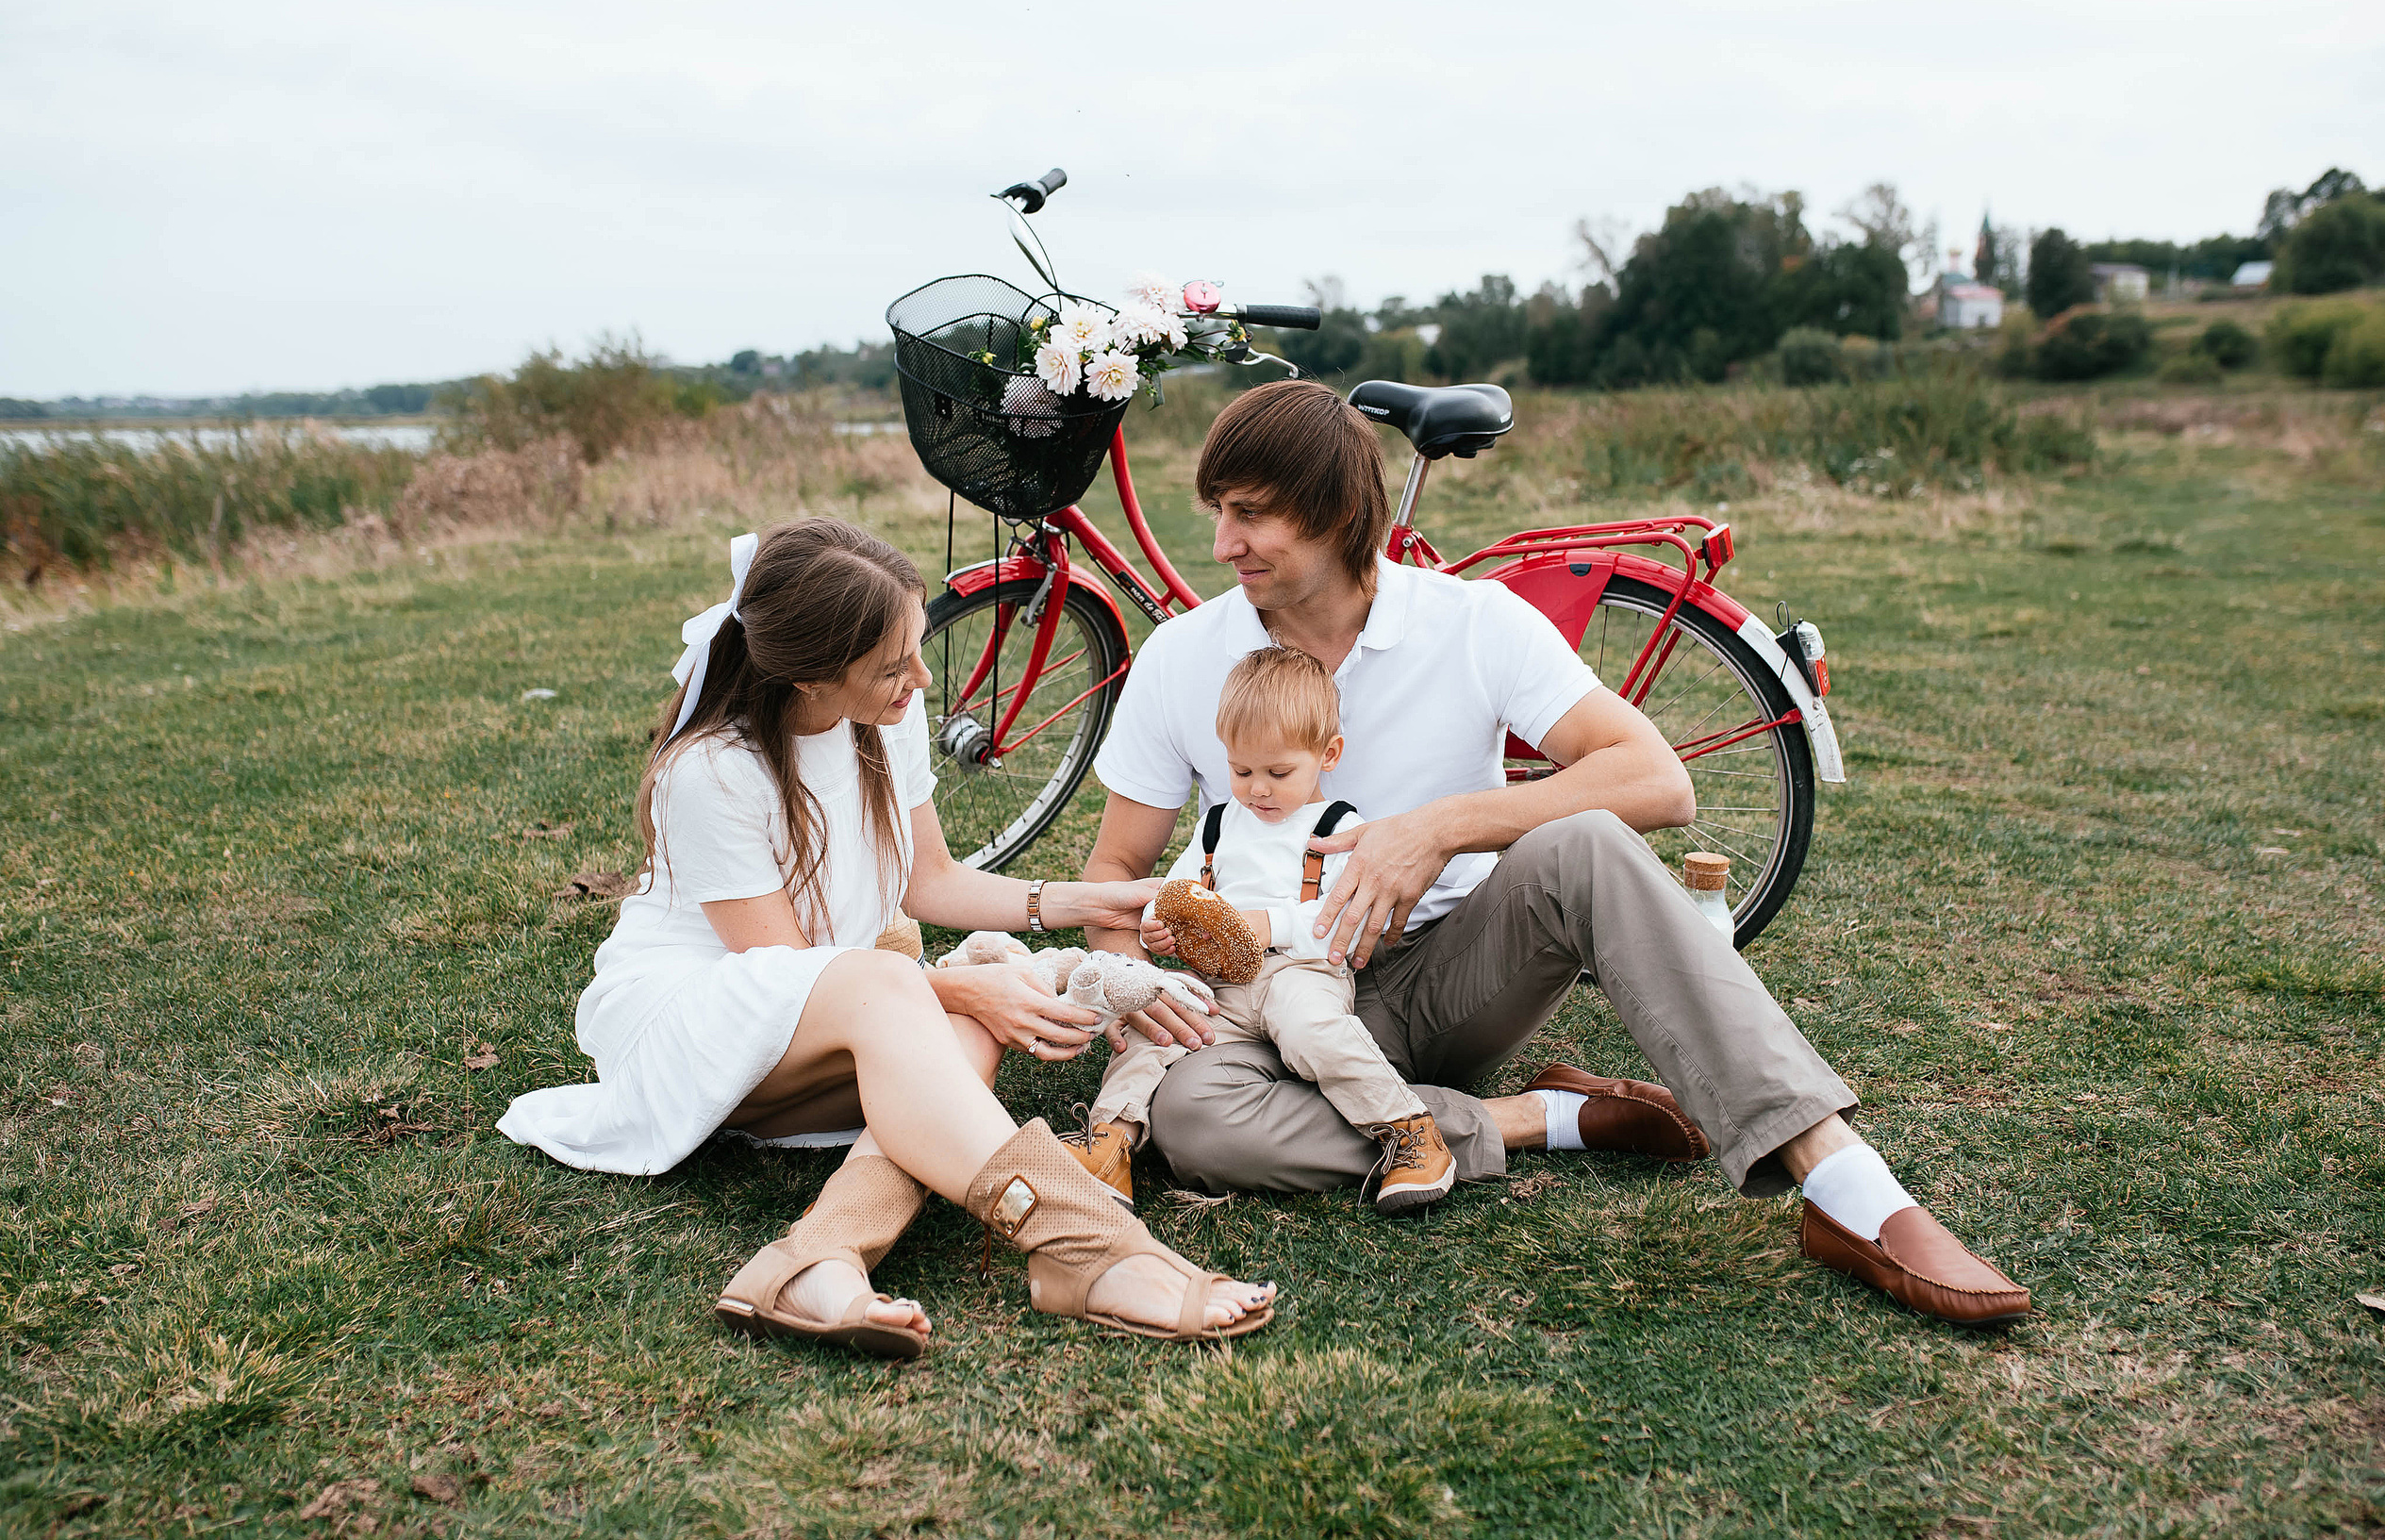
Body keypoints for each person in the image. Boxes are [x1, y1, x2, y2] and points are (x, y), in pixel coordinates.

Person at [1078, 384, 2030, 1328]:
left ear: (1331, 512)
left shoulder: (1471, 623)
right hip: (1258, 1013)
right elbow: (1115, 868)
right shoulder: (1184, 655)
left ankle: (1847, 1188)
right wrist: (1134, 991)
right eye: (1218, 514)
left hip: (1446, 980)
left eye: (1250, 516)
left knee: (1585, 841)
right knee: (1195, 1124)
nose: (1221, 545)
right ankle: (1531, 1121)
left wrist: (1440, 827)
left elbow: (1657, 780)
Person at [499, 517, 1276, 1358]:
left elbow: (931, 882)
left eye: (915, 647)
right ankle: (1089, 1248)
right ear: (807, 677)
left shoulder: (885, 717)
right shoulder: (709, 770)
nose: (918, 679)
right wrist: (952, 983)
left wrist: (1110, 894)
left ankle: (818, 1255)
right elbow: (786, 968)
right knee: (923, 991)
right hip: (698, 1026)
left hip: (843, 1009)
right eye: (890, 665)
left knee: (970, 1022)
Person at [1068, 644, 1466, 1215]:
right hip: (1220, 984)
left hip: (1297, 970)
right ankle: (1111, 1143)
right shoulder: (1217, 827)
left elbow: (1340, 925)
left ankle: (1409, 1133)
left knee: (1314, 1030)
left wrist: (1264, 923)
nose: (1257, 789)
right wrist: (1160, 930)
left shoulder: (1337, 828)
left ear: (1327, 754)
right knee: (1153, 1036)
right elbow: (1174, 896)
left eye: (1279, 772)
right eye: (1241, 770)